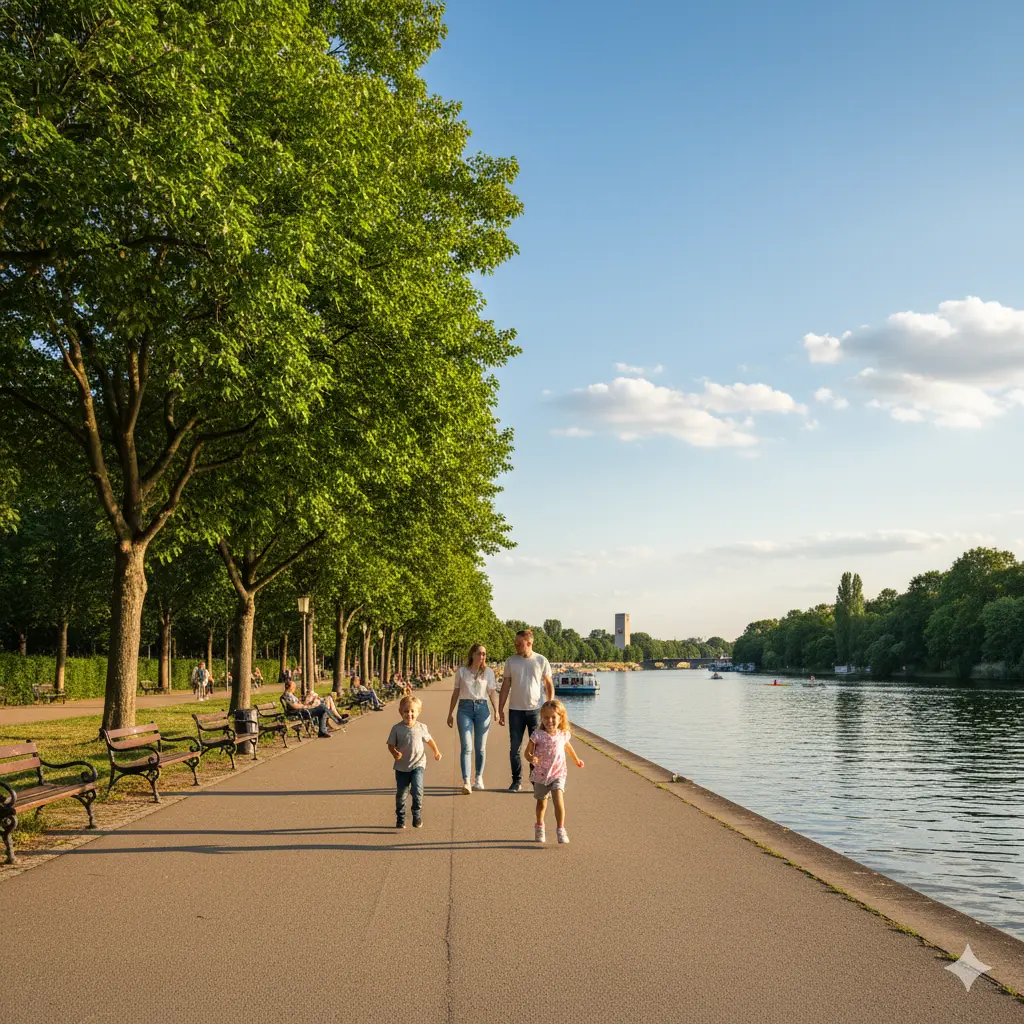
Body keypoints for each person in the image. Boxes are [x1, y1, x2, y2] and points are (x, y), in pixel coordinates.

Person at [497, 628, 554, 793]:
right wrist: (500, 709)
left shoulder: (541, 661)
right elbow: (506, 685)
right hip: (515, 711)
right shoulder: (511, 661)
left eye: (519, 644)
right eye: (515, 644)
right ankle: (516, 781)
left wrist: (550, 706)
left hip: (535, 711)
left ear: (529, 643)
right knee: (515, 748)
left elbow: (548, 684)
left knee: (537, 748)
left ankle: (536, 780)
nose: (516, 647)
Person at [525, 698, 584, 844]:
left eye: (553, 717)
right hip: (541, 774)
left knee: (559, 800)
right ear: (542, 718)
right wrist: (531, 758)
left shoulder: (563, 734)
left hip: (558, 773)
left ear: (560, 718)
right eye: (545, 717)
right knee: (541, 804)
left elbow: (568, 747)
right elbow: (527, 753)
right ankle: (539, 826)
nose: (549, 720)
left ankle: (560, 829)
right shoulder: (537, 735)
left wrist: (576, 760)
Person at [447, 642, 498, 794]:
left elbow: (492, 692)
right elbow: (456, 692)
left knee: (480, 747)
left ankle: (479, 777)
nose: (482, 656)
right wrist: (450, 713)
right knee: (466, 747)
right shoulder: (462, 672)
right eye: (479, 653)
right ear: (472, 654)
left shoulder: (489, 672)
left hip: (483, 709)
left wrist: (497, 711)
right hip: (465, 709)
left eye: (484, 654)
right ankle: (467, 781)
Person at [387, 694, 441, 828]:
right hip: (401, 767)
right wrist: (394, 752)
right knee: (401, 795)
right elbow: (390, 744)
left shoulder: (422, 727)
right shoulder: (396, 729)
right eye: (406, 711)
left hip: (418, 764)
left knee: (417, 790)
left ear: (418, 712)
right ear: (400, 712)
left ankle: (416, 815)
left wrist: (436, 751)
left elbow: (429, 740)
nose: (409, 714)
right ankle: (400, 817)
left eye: (412, 711)